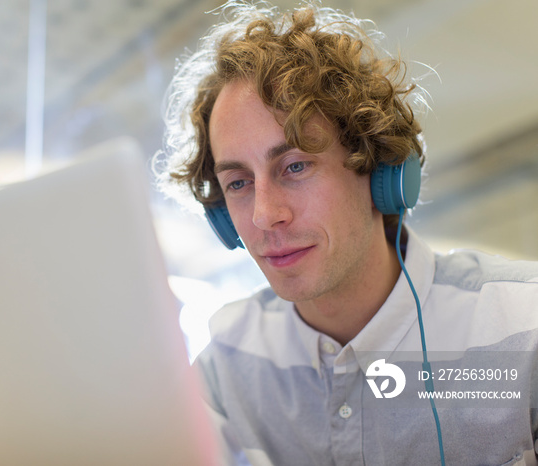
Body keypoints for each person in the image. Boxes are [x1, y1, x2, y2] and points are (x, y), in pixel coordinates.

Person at [153, 1, 538, 465]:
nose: (263, 215)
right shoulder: (225, 367)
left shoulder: (523, 330)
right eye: (238, 183)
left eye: (294, 166)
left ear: (379, 170)